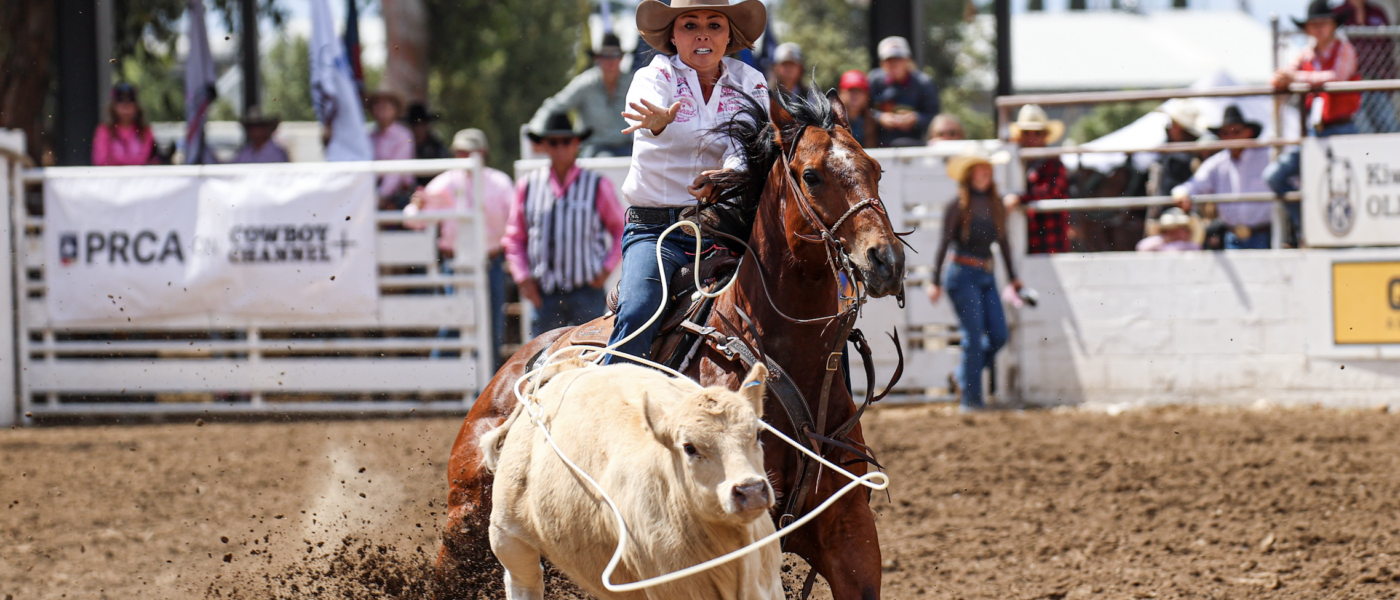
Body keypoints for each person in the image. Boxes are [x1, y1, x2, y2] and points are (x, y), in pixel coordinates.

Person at [607, 0, 770, 363]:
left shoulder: (750, 81)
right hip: (656, 231)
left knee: (799, 293)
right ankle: (611, 388)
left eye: (714, 25)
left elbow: (749, 146)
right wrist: (658, 121)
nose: (703, 35)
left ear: (729, 35)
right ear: (673, 36)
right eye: (690, 25)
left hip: (726, 227)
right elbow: (645, 109)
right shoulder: (657, 75)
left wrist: (727, 177)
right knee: (638, 312)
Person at [504, 113, 625, 337]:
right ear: (544, 146)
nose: (560, 148)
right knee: (543, 355)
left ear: (576, 143)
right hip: (544, 294)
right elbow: (515, 238)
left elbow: (621, 229)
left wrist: (606, 269)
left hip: (587, 291)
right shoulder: (528, 186)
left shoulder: (596, 184)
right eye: (553, 142)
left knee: (590, 352)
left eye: (566, 141)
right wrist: (523, 279)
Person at [406, 128, 517, 368]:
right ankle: (439, 375)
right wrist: (418, 206)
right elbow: (415, 220)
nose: (465, 157)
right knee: (455, 320)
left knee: (490, 324)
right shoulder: (446, 182)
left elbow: (515, 221)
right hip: (456, 264)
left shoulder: (499, 183)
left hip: (489, 261)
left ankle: (484, 379)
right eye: (461, 152)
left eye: (470, 152)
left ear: (483, 153)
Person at [926, 146, 1021, 412]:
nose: (984, 173)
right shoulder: (957, 205)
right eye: (979, 169)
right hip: (961, 274)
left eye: (987, 168)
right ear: (969, 174)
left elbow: (1003, 242)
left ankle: (962, 376)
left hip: (986, 274)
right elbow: (944, 242)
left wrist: (1013, 278)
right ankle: (971, 401)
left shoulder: (996, 204)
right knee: (974, 338)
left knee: (999, 335)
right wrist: (935, 281)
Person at [1265, 0, 1361, 202]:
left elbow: (1337, 77)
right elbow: (1282, 75)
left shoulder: (1344, 49)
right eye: (1314, 24)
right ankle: (1303, 217)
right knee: (1275, 177)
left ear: (1333, 25)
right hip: (1315, 130)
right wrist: (1282, 78)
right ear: (1307, 29)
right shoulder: (1306, 54)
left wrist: (1295, 78)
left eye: (1323, 23)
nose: (1319, 29)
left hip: (1343, 129)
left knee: (1349, 183)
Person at [1173, 105, 1274, 250]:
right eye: (1226, 133)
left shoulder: (1267, 157)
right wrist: (1182, 193)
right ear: (1221, 136)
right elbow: (1194, 185)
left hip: (1264, 233)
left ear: (1249, 132)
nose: (1231, 137)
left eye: (1236, 132)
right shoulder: (1217, 163)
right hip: (1233, 235)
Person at [529, 33, 637, 158]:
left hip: (628, 147)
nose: (610, 61)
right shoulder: (585, 84)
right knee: (605, 158)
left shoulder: (633, 82)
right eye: (604, 55)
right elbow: (554, 105)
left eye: (616, 54)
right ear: (597, 58)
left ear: (622, 57)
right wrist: (536, 135)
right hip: (593, 150)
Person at [1003, 104, 1071, 254]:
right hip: (1025, 240)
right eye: (1026, 133)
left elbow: (1049, 192)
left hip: (1049, 240)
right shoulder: (1018, 162)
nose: (1031, 137)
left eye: (1037, 133)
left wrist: (1019, 199)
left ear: (1045, 135)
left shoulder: (1054, 163)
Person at [868, 36, 941, 148]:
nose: (894, 64)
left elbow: (936, 117)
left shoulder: (924, 84)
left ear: (908, 60)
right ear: (882, 63)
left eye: (898, 59)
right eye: (889, 60)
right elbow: (860, 110)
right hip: (879, 148)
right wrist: (880, 117)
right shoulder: (874, 81)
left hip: (917, 147)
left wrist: (916, 119)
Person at [1336, 0, 1397, 133]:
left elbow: (1389, 47)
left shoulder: (1377, 12)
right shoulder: (1338, 13)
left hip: (1378, 80)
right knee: (1362, 128)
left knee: (1389, 125)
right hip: (1351, 83)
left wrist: (1390, 76)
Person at [367, 90, 416, 209]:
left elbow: (396, 171)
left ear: (395, 110)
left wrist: (380, 197)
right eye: (378, 104)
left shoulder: (403, 135)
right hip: (374, 191)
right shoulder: (369, 135)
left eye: (387, 104)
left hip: (399, 194)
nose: (382, 108)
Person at [92, 82, 156, 166]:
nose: (125, 105)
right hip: (111, 174)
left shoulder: (145, 131)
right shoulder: (104, 130)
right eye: (120, 100)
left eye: (130, 100)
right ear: (113, 106)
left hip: (138, 174)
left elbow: (143, 159)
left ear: (136, 105)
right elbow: (100, 160)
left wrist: (117, 160)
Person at [838, 69, 879, 148]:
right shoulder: (830, 121)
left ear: (866, 95)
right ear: (841, 93)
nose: (855, 96)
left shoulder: (872, 120)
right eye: (851, 91)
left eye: (859, 91)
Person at [1135, 207, 1200, 252]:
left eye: (1181, 229)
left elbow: (1194, 248)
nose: (1177, 233)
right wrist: (1163, 239)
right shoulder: (1160, 242)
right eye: (1172, 230)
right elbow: (1142, 247)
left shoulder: (1190, 246)